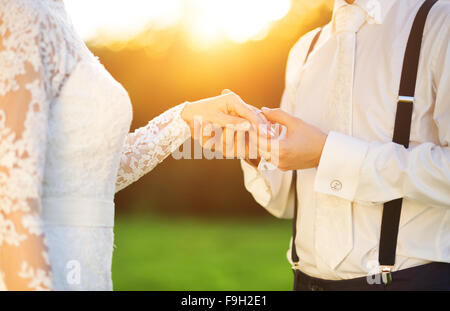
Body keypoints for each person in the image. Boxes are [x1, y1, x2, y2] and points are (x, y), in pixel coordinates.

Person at [0, 0, 268, 290]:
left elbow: (82, 176)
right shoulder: (20, 12)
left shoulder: (54, 13)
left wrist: (185, 118)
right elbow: (11, 196)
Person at [241, 0, 450, 290]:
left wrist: (327, 154)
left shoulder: (440, 21)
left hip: (411, 281)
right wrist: (253, 149)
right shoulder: (306, 49)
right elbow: (286, 202)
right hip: (305, 282)